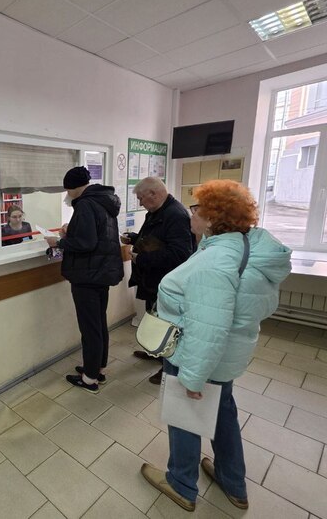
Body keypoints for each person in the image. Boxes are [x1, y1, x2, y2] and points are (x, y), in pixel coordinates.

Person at [140, 179, 291, 512]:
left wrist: (193, 378)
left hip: (199, 356)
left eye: (196, 209)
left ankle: (181, 484)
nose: (190, 215)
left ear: (212, 218)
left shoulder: (215, 261)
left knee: (185, 416)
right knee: (223, 413)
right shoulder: (243, 247)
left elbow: (208, 326)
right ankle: (232, 481)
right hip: (227, 355)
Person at [47, 166, 124, 394]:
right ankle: (97, 368)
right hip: (102, 273)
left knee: (90, 328)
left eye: (68, 190)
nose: (67, 195)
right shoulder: (103, 201)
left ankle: (89, 379)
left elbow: (86, 243)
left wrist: (59, 242)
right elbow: (95, 236)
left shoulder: (85, 204)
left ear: (74, 188)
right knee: (98, 323)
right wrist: (71, 231)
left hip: (88, 275)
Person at [122, 177, 194, 384]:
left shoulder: (175, 215)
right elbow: (156, 239)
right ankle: (156, 351)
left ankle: (168, 367)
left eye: (140, 198)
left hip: (167, 282)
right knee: (155, 319)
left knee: (167, 325)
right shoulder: (158, 212)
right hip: (153, 279)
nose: (140, 202)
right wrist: (135, 238)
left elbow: (180, 253)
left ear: (153, 194)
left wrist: (141, 259)